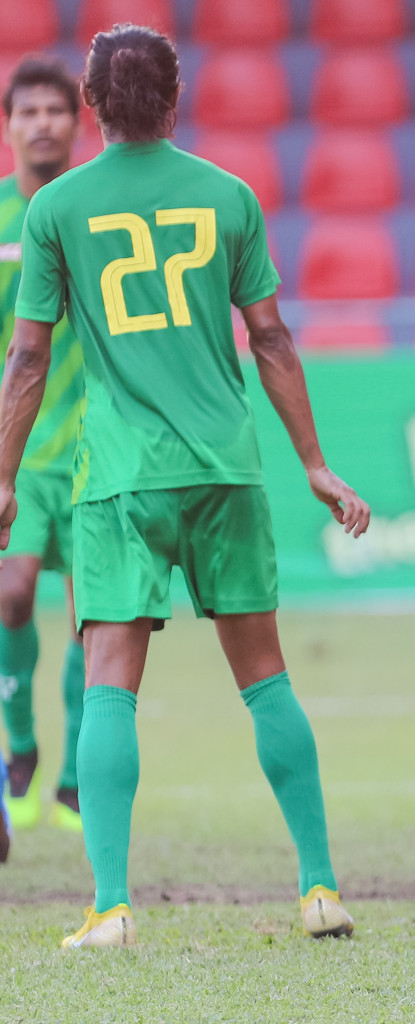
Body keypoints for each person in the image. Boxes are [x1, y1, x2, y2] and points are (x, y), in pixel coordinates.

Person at [1, 24, 371, 948]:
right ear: (174, 100)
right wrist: (315, 464)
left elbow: (28, 359)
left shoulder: (56, 210)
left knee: (111, 679)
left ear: (90, 108)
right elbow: (272, 338)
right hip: (226, 467)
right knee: (266, 677)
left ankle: (112, 907)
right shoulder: (229, 197)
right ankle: (320, 886)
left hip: (120, 476)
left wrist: (3, 478)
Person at [0, 55, 87, 842]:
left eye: (55, 110)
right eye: (26, 112)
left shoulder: (98, 213)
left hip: (97, 446)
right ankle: (21, 745)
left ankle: (74, 774)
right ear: (10, 126)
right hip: (19, 449)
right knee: (14, 593)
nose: (41, 123)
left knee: (91, 618)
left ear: (78, 120)